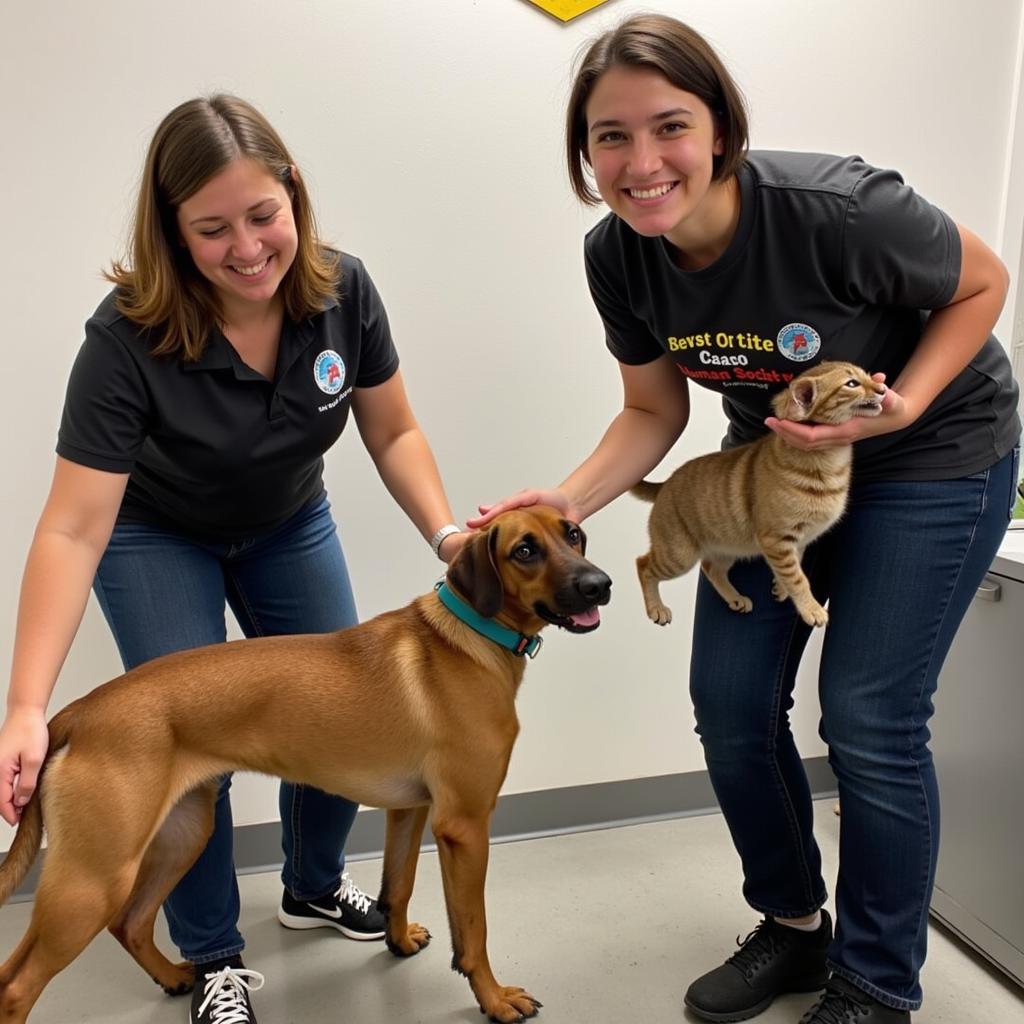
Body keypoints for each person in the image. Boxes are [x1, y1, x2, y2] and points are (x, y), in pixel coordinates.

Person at [469, 14, 1020, 1024]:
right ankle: (795, 928)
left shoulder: (836, 210)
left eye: (668, 127)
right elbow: (652, 410)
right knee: (728, 702)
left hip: (930, 457)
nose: (641, 163)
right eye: (609, 137)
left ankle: (875, 982)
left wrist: (905, 402)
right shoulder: (619, 257)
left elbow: (982, 282)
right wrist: (560, 503)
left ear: (720, 128)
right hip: (773, 470)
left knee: (867, 715)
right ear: (583, 152)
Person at [0, 95, 468, 1024]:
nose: (248, 248)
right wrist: (24, 706)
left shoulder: (343, 289)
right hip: (152, 534)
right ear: (173, 233)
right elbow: (72, 529)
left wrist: (448, 534)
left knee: (353, 718)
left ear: (294, 193)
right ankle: (214, 952)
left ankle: (312, 884)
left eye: (264, 216)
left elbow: (394, 429)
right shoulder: (125, 336)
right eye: (212, 229)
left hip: (288, 521)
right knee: (184, 751)